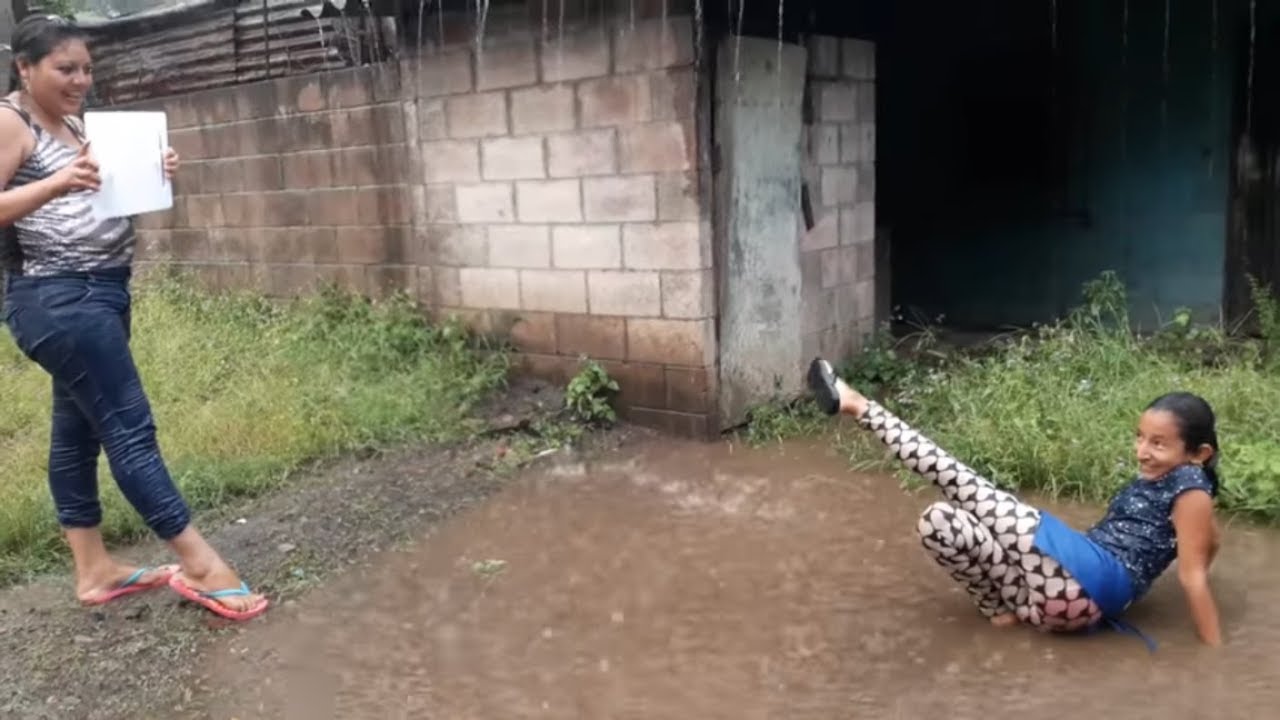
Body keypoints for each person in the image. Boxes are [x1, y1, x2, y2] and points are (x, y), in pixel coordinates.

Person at [0, 14, 267, 621]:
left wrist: (151, 171)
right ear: (25, 67)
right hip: (55, 297)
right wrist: (60, 180)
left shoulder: (72, 124)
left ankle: (93, 569)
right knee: (127, 424)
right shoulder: (9, 122)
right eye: (65, 68)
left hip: (102, 291)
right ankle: (201, 566)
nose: (80, 80)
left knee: (79, 431)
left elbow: (97, 191)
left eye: (87, 69)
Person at [807, 357, 1222, 647]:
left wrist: (1213, 658)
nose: (1142, 451)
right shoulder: (1189, 489)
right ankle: (1002, 614)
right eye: (1140, 437)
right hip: (1054, 598)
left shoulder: (1190, 487)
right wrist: (1201, 553)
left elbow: (1192, 578)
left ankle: (858, 405)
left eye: (1159, 444)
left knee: (962, 482)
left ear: (1198, 454)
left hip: (1090, 582)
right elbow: (1208, 544)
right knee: (940, 521)